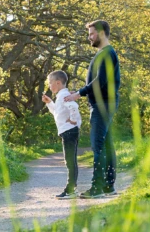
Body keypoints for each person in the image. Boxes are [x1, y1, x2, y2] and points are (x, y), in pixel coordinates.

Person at [64, 20, 120, 199]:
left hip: (102, 105)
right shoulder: (105, 53)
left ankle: (96, 188)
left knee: (98, 146)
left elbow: (100, 81)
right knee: (107, 145)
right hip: (105, 103)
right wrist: (79, 91)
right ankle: (108, 186)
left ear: (101, 33)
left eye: (92, 34)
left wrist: (79, 93)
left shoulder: (107, 53)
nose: (89, 38)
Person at [42, 70, 82, 199]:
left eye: (50, 83)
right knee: (69, 161)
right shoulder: (60, 96)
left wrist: (74, 120)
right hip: (67, 131)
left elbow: (74, 107)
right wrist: (49, 103)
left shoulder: (64, 96)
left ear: (58, 83)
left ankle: (71, 189)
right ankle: (72, 188)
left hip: (69, 131)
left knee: (70, 161)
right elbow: (58, 114)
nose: (49, 86)